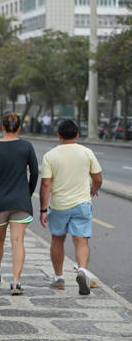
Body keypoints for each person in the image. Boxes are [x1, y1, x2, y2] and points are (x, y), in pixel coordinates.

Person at [0, 112, 39, 295]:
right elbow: (35, 173)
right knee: (18, 241)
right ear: (19, 128)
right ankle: (16, 282)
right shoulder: (26, 147)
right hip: (21, 201)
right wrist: (28, 191)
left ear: (2, 127)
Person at [39, 119, 102, 295]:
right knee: (82, 240)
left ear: (59, 135)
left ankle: (59, 278)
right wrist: (94, 189)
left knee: (57, 239)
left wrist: (43, 209)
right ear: (77, 135)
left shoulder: (50, 156)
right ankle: (82, 270)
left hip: (59, 205)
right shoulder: (86, 152)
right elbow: (97, 178)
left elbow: (45, 184)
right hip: (82, 203)